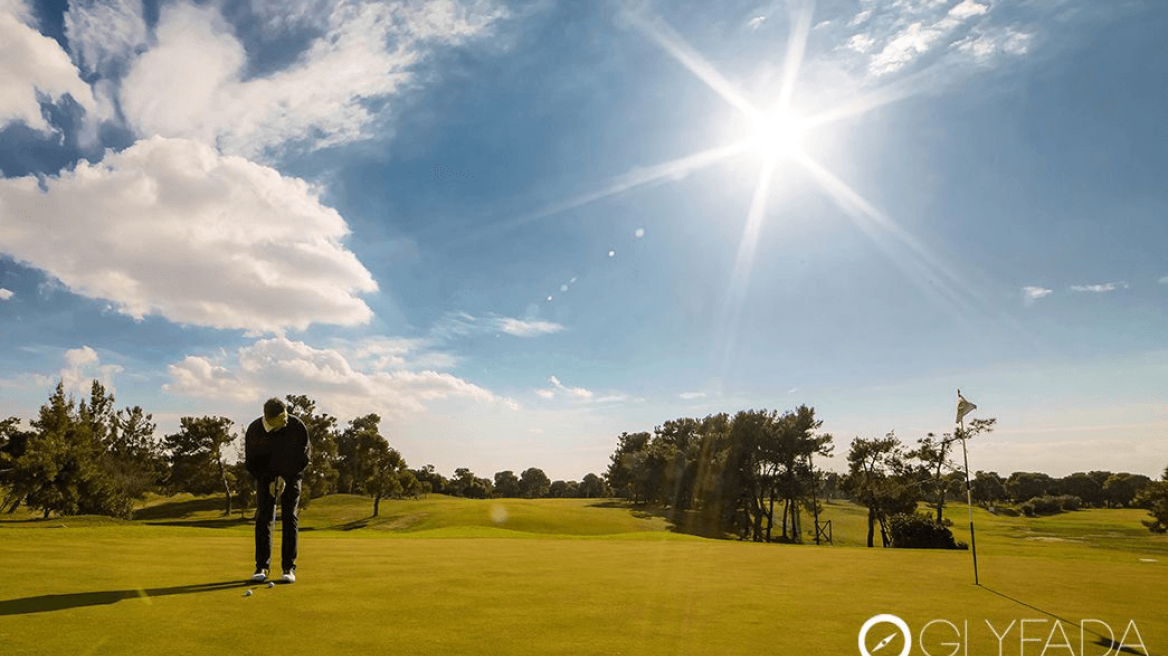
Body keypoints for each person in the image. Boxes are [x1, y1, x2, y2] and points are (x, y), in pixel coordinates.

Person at [244, 397, 311, 584]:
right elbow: (251, 462)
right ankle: (262, 567)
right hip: (265, 477)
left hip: (292, 474)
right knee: (263, 517)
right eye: (281, 419)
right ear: (268, 418)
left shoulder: (296, 426)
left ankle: (288, 567)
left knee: (290, 516)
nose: (286, 420)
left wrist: (284, 477)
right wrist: (268, 480)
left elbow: (303, 457)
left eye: (286, 415)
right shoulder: (255, 430)